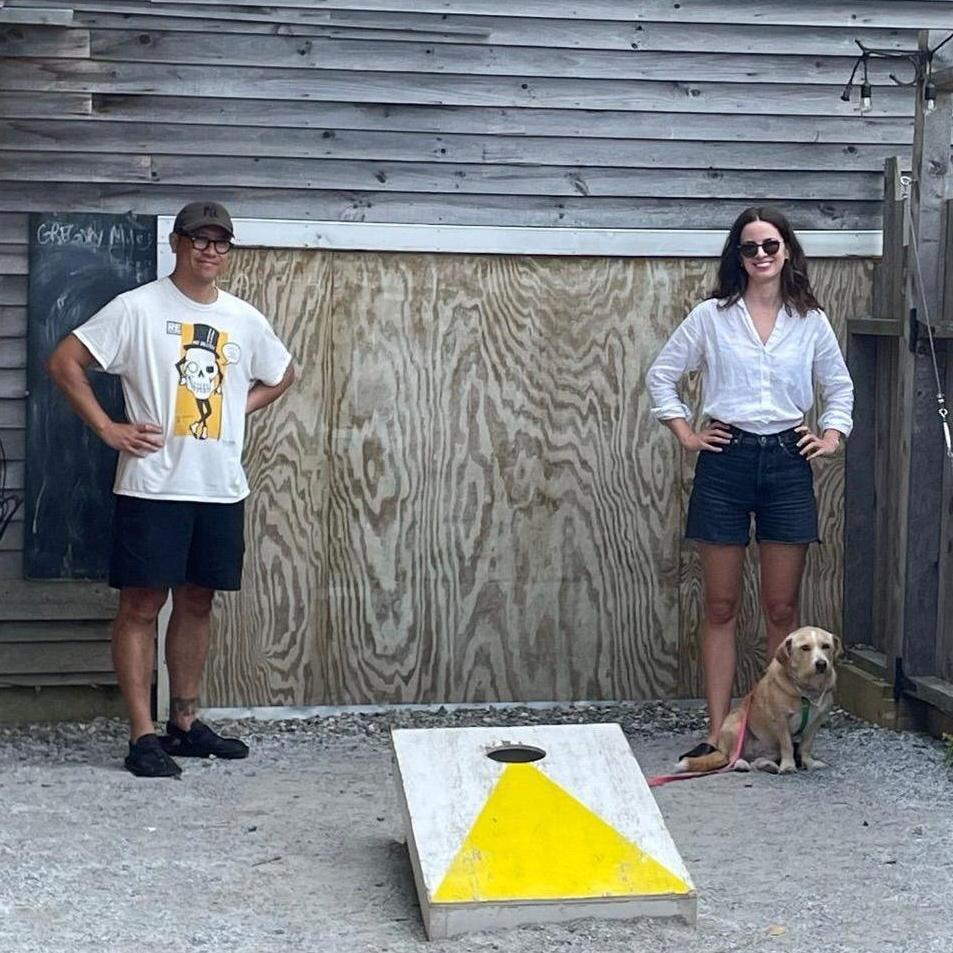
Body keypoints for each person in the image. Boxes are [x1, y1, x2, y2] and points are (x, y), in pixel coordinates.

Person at [47, 201, 295, 778]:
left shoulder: (243, 318)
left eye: (220, 241)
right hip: (152, 487)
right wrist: (108, 428)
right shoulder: (137, 308)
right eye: (198, 239)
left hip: (219, 488)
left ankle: (184, 723)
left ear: (228, 251)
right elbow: (64, 363)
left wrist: (235, 409)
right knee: (141, 605)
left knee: (198, 601)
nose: (209, 250)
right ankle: (142, 735)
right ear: (177, 244)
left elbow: (283, 373)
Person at [645, 205, 853, 763]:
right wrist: (687, 434)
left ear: (787, 251)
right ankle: (720, 735)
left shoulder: (810, 320)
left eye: (770, 245)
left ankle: (786, 732)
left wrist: (831, 436)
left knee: (782, 609)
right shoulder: (711, 317)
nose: (761, 255)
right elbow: (661, 376)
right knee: (720, 604)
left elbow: (839, 386)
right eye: (749, 247)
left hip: (786, 461)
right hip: (726, 462)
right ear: (737, 256)